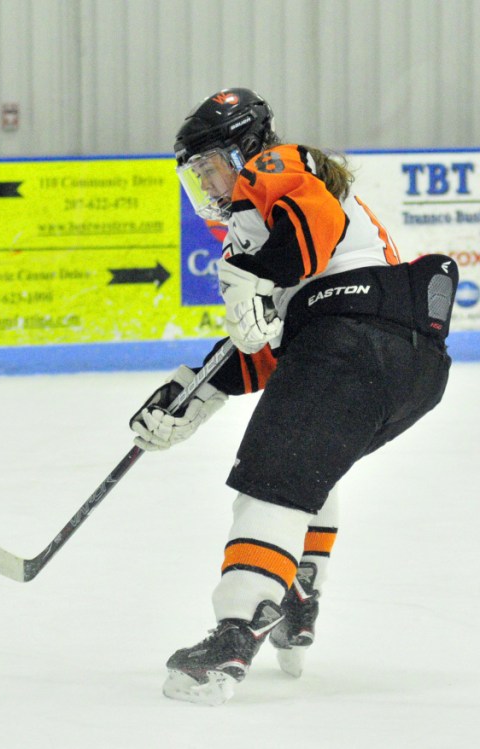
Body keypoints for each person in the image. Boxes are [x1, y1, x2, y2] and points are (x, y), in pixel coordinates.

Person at [129, 88, 455, 706]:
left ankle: (235, 634)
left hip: (356, 340)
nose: (206, 180)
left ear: (243, 146)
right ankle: (298, 595)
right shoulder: (266, 233)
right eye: (195, 173)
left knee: (273, 478)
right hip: (408, 364)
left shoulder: (278, 168)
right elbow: (275, 345)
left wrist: (259, 279)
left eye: (209, 164)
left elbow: (313, 229)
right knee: (310, 463)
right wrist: (193, 394)